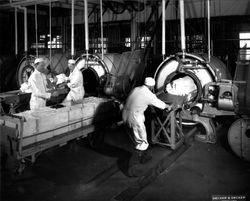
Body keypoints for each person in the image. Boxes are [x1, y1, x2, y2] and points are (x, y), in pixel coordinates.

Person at [122, 77, 172, 167]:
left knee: (136, 139)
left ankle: (143, 157)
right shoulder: (149, 94)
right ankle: (133, 166)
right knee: (143, 143)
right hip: (135, 119)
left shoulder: (136, 89)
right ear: (151, 87)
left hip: (125, 115)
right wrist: (168, 106)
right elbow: (160, 104)